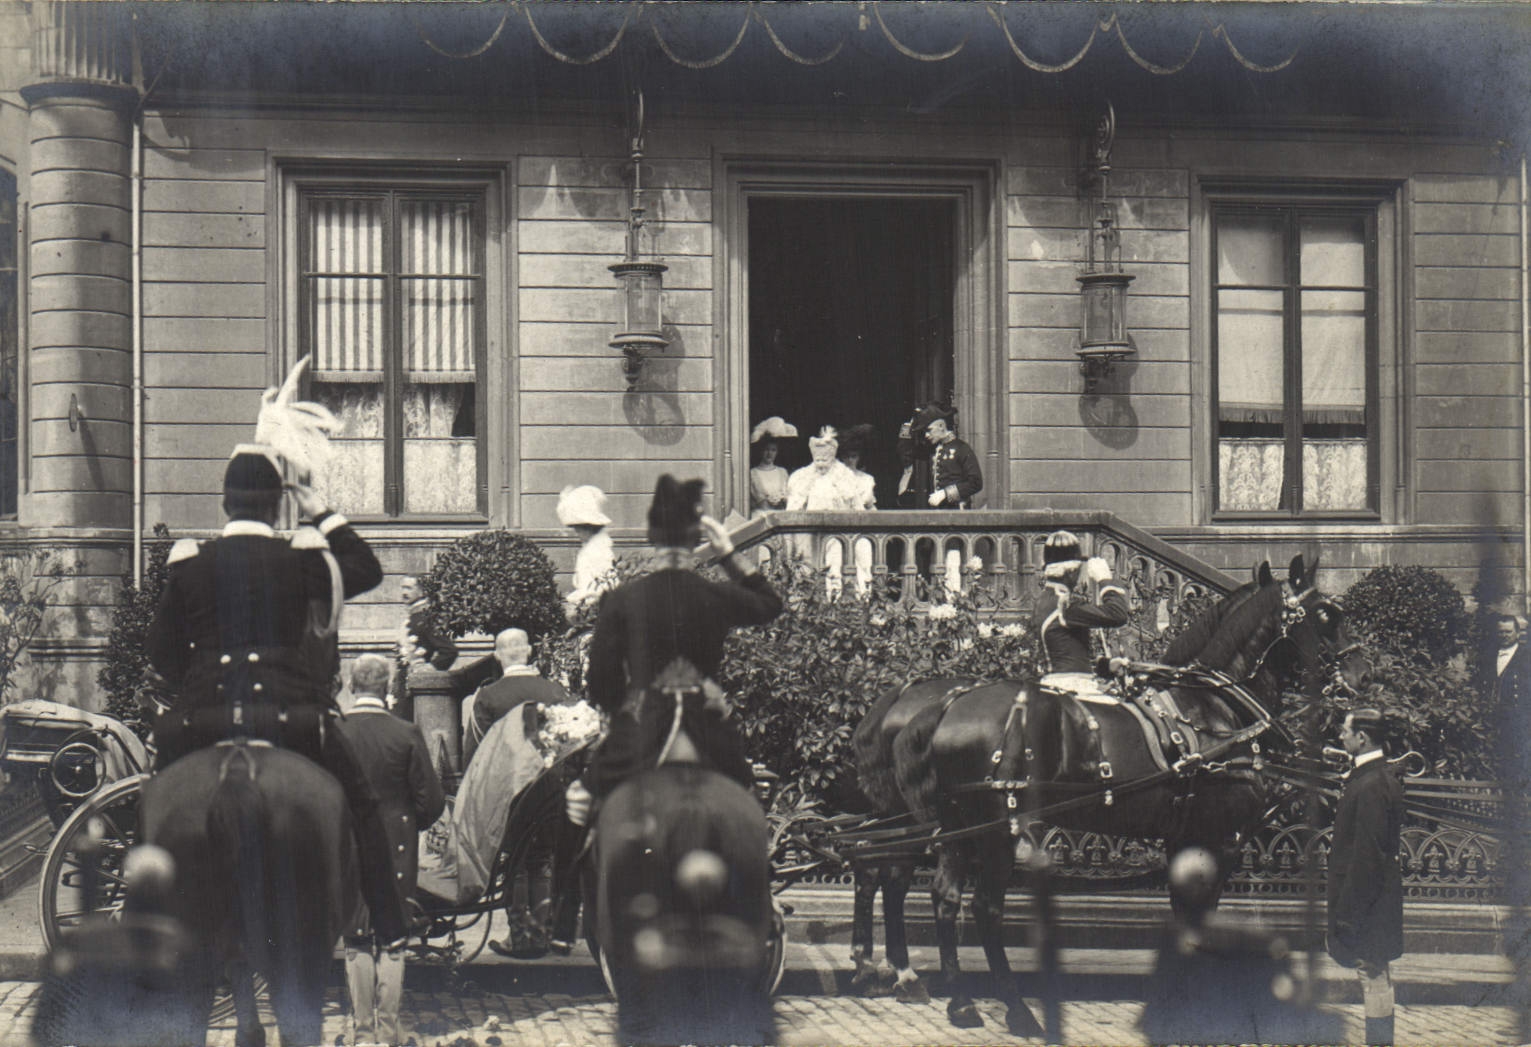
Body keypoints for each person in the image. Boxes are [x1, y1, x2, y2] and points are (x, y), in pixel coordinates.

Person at [145, 444, 408, 946]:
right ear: (274, 506)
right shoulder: (300, 561)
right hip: (292, 718)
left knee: (152, 806)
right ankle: (389, 923)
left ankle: (140, 917)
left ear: (226, 504)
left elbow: (160, 649)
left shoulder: (192, 563)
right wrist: (319, 511)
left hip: (201, 720)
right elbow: (367, 569)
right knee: (362, 805)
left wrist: (194, 682)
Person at [555, 477, 782, 952]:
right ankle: (763, 903)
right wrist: (728, 555)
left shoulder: (624, 599)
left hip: (643, 730)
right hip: (711, 732)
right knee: (746, 803)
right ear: (695, 539)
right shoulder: (713, 595)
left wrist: (624, 706)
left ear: (652, 538)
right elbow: (770, 604)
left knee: (577, 804)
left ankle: (559, 920)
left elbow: (601, 684)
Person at [336, 655, 445, 1047]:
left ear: (352, 685)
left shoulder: (334, 733)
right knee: (393, 938)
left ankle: (363, 1033)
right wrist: (408, 822)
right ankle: (387, 1031)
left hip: (347, 844)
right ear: (387, 687)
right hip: (395, 847)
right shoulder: (406, 732)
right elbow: (432, 802)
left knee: (357, 937)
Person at [1327, 707, 1405, 1047]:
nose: (1340, 736)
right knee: (1375, 972)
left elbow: (1367, 858)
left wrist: (1348, 914)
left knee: (1372, 972)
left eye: (1345, 731)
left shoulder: (1371, 783)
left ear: (1362, 737)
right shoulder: (1372, 777)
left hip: (1368, 901)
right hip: (1375, 898)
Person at [462, 628, 572, 768]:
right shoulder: (554, 690)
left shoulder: (487, 695)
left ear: (497, 655)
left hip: (504, 776)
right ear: (529, 650)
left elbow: (474, 752)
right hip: (548, 775)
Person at [1031, 530, 1129, 687]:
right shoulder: (1065, 604)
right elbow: (1118, 614)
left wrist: (1105, 666)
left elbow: (1064, 650)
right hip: (1072, 687)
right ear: (1071, 572)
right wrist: (1105, 580)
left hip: (1054, 683)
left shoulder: (1044, 599)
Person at [897, 401, 982, 510]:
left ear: (941, 426)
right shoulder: (932, 449)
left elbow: (976, 482)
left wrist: (945, 493)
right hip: (937, 510)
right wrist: (908, 426)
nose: (926, 435)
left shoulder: (961, 448)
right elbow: (906, 451)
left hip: (957, 510)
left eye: (929, 430)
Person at [396, 575, 458, 720]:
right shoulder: (412, 618)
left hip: (417, 687)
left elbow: (449, 651)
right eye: (403, 588)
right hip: (404, 684)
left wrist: (428, 669)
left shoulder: (427, 619)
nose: (404, 592)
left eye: (409, 588)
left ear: (422, 591)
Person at [559, 484, 615, 621]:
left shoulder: (598, 551)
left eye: (578, 529)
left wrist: (573, 601)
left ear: (589, 527)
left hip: (595, 614)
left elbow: (598, 590)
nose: (576, 533)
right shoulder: (590, 548)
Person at [748, 416, 796, 516]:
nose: (769, 453)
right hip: (760, 517)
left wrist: (783, 498)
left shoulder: (782, 472)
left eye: (773, 450)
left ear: (777, 452)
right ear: (761, 451)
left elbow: (791, 496)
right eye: (766, 449)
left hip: (780, 516)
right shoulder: (753, 473)